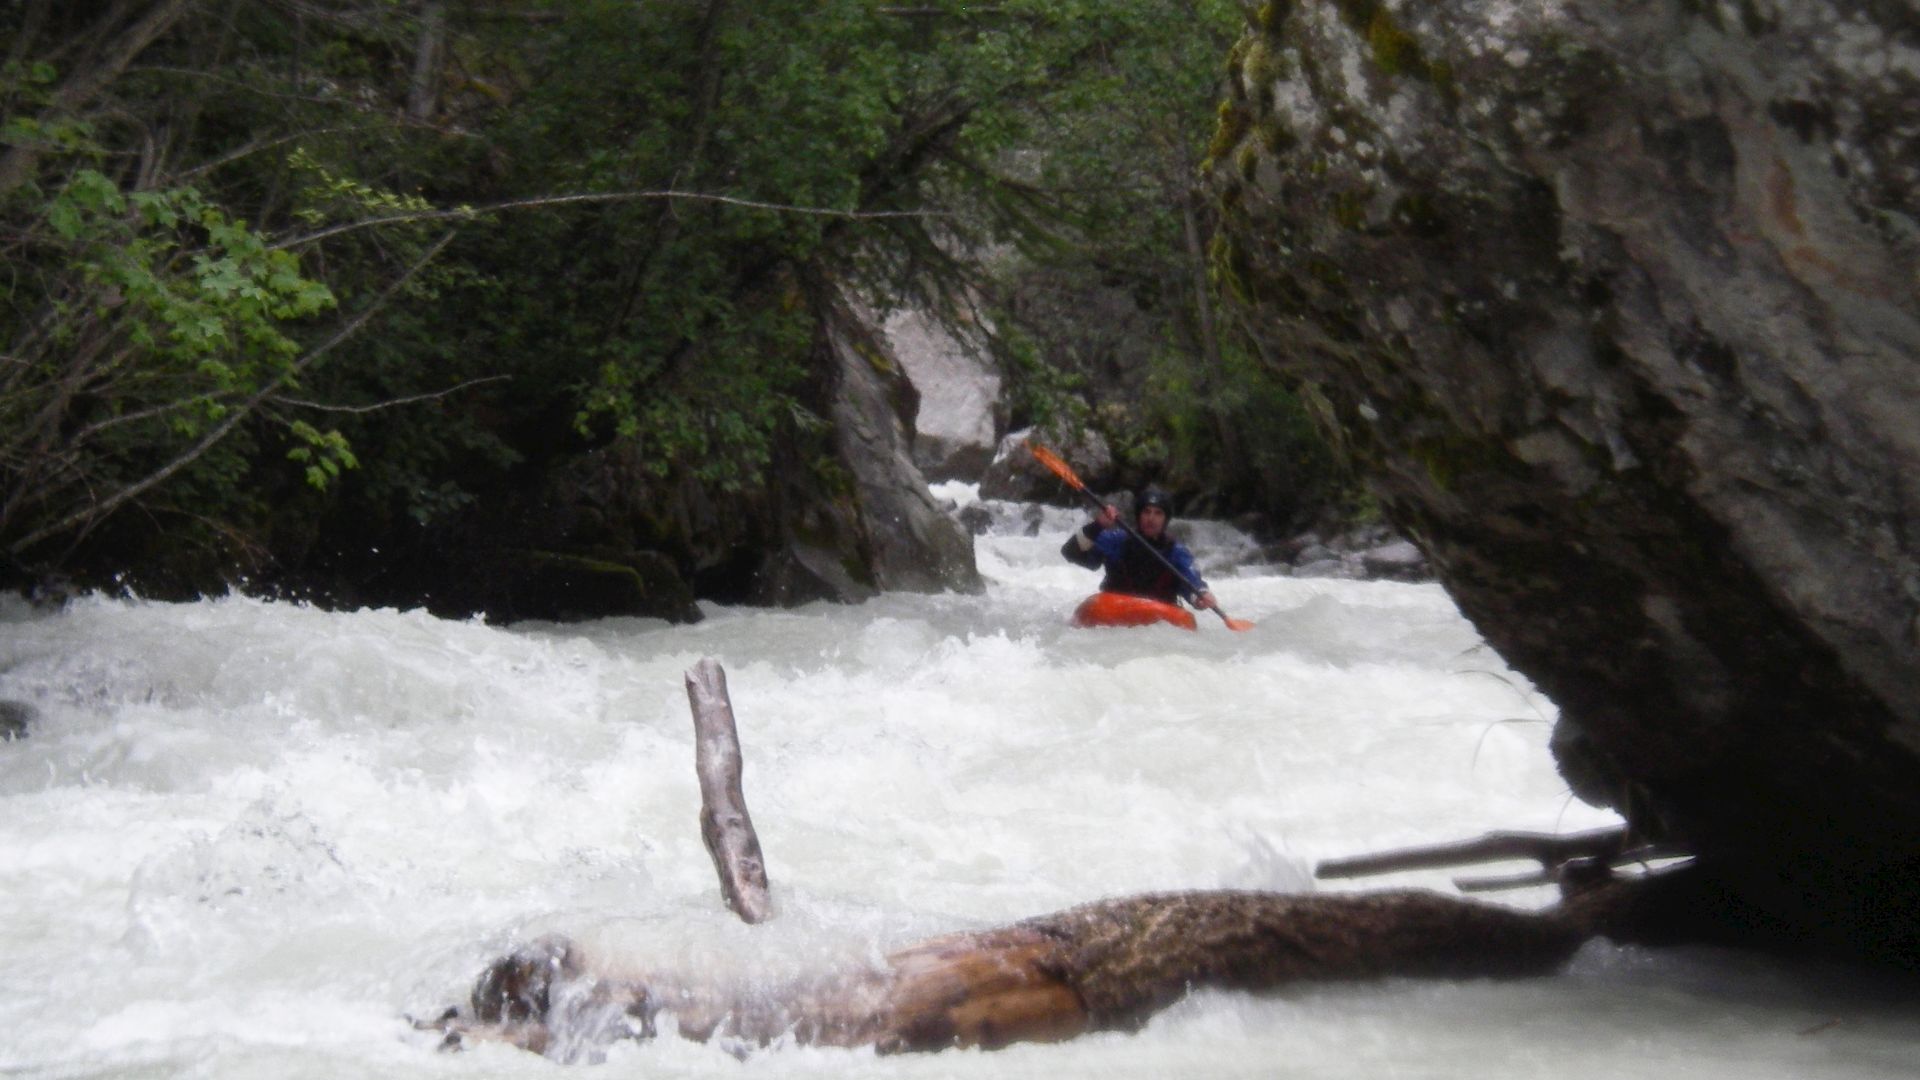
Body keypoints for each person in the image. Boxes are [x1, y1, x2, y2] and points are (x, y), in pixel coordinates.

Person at [1061, 488, 1218, 610]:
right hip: (1115, 610)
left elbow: (1192, 581)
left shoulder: (1176, 552)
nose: (1151, 518)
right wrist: (1097, 526)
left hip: (1159, 618)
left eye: (1158, 513)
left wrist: (1201, 596)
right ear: (1138, 515)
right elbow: (1070, 552)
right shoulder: (1116, 540)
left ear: (1165, 519)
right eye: (1146, 512)